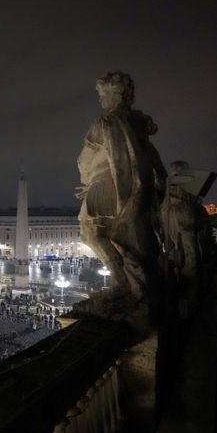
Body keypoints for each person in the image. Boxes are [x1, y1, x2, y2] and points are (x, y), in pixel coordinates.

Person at [76, 71, 166, 311]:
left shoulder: (103, 124)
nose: (100, 100)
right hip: (135, 189)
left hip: (104, 186)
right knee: (122, 232)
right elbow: (153, 160)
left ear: (114, 94)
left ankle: (119, 280)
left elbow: (84, 161)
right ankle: (132, 281)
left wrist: (87, 180)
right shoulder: (139, 126)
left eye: (101, 94)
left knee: (91, 232)